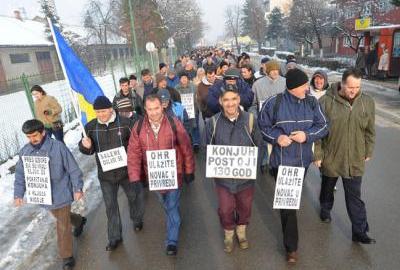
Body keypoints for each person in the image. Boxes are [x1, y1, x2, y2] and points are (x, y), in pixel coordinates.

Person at [258, 68, 328, 263]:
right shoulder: (274, 103)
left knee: (292, 199)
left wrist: (307, 136)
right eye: (304, 85)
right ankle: (291, 248)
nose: (308, 88)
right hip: (281, 161)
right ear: (294, 87)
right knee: (288, 205)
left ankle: (290, 237)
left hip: (303, 161)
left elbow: (323, 126)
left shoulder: (312, 102)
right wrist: (277, 137)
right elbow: (263, 127)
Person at [314, 68, 376, 244]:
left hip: (355, 158)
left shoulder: (367, 102)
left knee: (354, 197)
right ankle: (325, 209)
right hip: (331, 157)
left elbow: (370, 130)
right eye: (351, 87)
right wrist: (317, 154)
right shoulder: (326, 101)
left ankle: (359, 231)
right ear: (342, 83)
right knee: (327, 190)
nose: (354, 91)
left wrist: (368, 150)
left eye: (357, 87)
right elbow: (318, 133)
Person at [127, 94, 195, 256]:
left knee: (171, 205)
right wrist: (135, 178)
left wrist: (189, 170)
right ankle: (175, 218)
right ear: (145, 109)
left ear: (162, 107)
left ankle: (172, 241)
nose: (154, 112)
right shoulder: (138, 127)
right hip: (154, 178)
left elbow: (186, 148)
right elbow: (133, 154)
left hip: (174, 174)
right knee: (166, 204)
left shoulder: (173, 123)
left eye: (156, 108)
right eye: (150, 109)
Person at [14, 119, 86, 270]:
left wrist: (78, 188)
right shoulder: (25, 152)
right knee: (63, 218)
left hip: (62, 192)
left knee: (62, 225)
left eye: (34, 135)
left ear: (43, 132)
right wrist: (18, 194)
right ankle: (79, 221)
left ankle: (66, 257)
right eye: (28, 137)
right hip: (44, 196)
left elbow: (73, 168)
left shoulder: (58, 147)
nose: (32, 139)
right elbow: (21, 174)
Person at [79, 96, 144, 251]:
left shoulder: (126, 123)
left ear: (110, 109)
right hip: (106, 175)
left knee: (134, 197)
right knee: (110, 206)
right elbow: (88, 150)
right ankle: (114, 237)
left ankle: (137, 219)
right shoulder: (90, 127)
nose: (100, 114)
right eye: (97, 112)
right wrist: (85, 146)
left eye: (103, 111)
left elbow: (137, 143)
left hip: (126, 171)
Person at [206, 84, 262, 253]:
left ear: (238, 100)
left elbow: (258, 146)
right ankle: (229, 233)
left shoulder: (250, 120)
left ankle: (241, 231)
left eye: (233, 99)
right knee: (225, 209)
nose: (230, 104)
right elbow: (209, 148)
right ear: (220, 102)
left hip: (245, 179)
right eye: (226, 100)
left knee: (245, 207)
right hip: (223, 180)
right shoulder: (213, 122)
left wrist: (252, 167)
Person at [251, 60, 286, 173]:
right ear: (268, 71)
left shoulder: (286, 82)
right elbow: (253, 104)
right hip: (264, 119)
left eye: (277, 70)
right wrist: (255, 117)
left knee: (279, 141)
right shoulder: (257, 84)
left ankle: (277, 164)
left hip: (282, 119)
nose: (275, 72)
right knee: (264, 142)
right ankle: (264, 162)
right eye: (272, 70)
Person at [176, 72, 200, 151]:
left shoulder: (193, 86)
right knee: (184, 127)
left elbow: (197, 97)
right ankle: (186, 143)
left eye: (185, 78)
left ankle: (196, 143)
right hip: (182, 111)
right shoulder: (176, 88)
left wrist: (196, 107)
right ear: (180, 79)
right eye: (182, 78)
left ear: (187, 78)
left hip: (193, 109)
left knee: (194, 126)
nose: (184, 79)